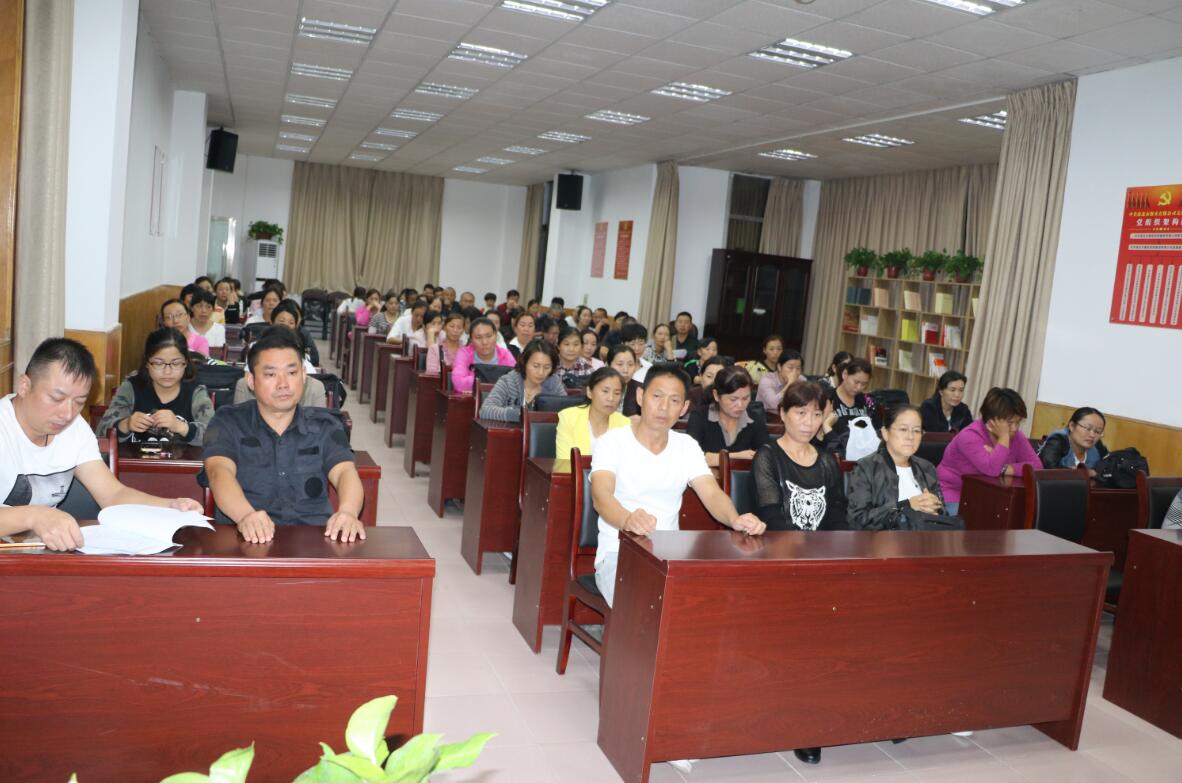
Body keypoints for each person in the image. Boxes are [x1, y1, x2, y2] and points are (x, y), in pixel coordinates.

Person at [0, 338, 203, 551]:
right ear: (24, 386)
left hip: (39, 551)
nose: (67, 414)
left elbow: (112, 494)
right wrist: (35, 516)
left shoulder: (74, 429)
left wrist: (170, 506)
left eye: (79, 402)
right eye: (56, 398)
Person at [591, 364, 767, 605]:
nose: (664, 407)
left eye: (674, 400)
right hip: (618, 553)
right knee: (643, 603)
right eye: (657, 396)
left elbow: (712, 493)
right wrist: (627, 520)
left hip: (670, 553)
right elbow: (601, 497)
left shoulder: (687, 446)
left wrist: (735, 519)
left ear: (684, 408)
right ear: (640, 396)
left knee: (710, 601)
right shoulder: (611, 442)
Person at [203, 328, 363, 543]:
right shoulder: (227, 421)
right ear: (251, 380)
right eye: (270, 374)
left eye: (292, 373)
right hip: (244, 540)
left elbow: (345, 471)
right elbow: (218, 472)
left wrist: (349, 513)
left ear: (304, 376)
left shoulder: (325, 425)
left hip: (313, 542)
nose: (283, 384)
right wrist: (245, 516)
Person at [752, 379, 848, 528]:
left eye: (817, 414)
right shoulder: (767, 457)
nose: (809, 422)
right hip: (779, 541)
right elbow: (770, 518)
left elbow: (838, 517)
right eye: (801, 413)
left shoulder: (828, 461)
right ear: (783, 413)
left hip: (823, 542)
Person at [96, 328, 215, 445]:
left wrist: (181, 427)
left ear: (186, 363)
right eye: (158, 363)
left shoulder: (195, 390)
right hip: (134, 458)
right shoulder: (132, 386)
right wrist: (126, 424)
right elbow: (101, 432)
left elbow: (215, 435)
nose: (167, 372)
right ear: (147, 363)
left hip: (183, 459)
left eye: (176, 363)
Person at [937, 387, 1041, 515]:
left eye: (1018, 422)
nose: (1015, 428)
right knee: (969, 522)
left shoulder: (1016, 437)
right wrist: (1004, 438)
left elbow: (1037, 467)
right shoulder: (969, 436)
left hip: (988, 495)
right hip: (954, 493)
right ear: (992, 421)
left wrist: (1005, 468)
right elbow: (992, 469)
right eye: (1009, 423)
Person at [847, 404, 946, 530]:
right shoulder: (866, 468)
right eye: (903, 429)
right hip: (881, 540)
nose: (910, 437)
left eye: (916, 431)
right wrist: (906, 505)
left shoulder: (927, 468)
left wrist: (935, 509)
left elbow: (944, 513)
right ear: (885, 433)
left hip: (924, 538)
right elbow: (857, 520)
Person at [686, 365, 770, 467]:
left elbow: (767, 458)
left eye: (745, 398)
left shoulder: (754, 419)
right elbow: (690, 457)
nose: (740, 405)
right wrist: (736, 456)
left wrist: (715, 458)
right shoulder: (700, 417)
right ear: (716, 395)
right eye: (733, 399)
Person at [477, 340, 565, 422]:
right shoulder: (509, 381)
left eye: (547, 367)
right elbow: (485, 410)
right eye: (536, 366)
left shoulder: (554, 383)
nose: (541, 372)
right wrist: (520, 415)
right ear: (525, 362)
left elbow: (567, 413)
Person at [555, 367, 630, 460]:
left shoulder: (625, 424)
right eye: (605, 391)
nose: (611, 398)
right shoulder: (568, 418)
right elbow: (565, 462)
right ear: (589, 392)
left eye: (617, 393)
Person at [820, 358, 880, 450]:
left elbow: (877, 432)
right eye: (856, 382)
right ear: (845, 374)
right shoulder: (827, 399)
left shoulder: (868, 403)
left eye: (864, 384)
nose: (859, 387)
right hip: (832, 451)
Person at [452, 317, 516, 393]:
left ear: (496, 336)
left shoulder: (505, 355)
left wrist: (478, 381)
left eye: (489, 336)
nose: (484, 342)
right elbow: (459, 383)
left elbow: (515, 383)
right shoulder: (464, 353)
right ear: (471, 340)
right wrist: (496, 380)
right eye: (478, 337)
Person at [1038, 407, 1109, 472]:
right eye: (1088, 428)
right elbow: (1049, 469)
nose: (1092, 435)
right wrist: (1082, 473)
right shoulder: (1058, 440)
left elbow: (1110, 468)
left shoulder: (1097, 446)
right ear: (1072, 426)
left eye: (1097, 431)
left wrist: (1094, 474)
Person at [270, 299, 320, 369]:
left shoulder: (300, 341)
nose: (286, 325)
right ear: (272, 323)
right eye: (282, 321)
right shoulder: (262, 344)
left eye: (291, 323)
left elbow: (313, 361)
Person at [607, 344, 641, 416]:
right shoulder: (598, 386)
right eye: (620, 364)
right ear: (609, 365)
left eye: (630, 364)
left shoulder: (640, 389)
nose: (625, 370)